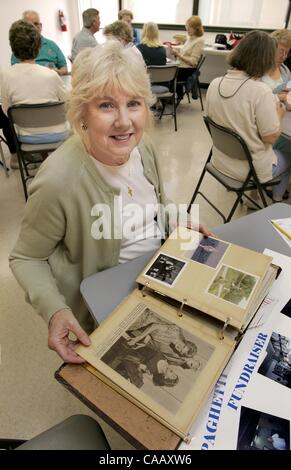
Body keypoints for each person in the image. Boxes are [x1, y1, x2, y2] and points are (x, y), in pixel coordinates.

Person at [8, 39, 211, 363]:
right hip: (111, 295)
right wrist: (55, 310)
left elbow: (156, 202)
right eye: (106, 105)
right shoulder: (59, 181)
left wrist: (175, 217)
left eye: (133, 103)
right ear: (81, 113)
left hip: (162, 271)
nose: (124, 121)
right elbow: (25, 258)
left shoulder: (143, 150)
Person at [206, 30, 291, 203]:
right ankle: (275, 200)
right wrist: (279, 113)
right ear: (266, 58)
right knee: (288, 154)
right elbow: (271, 137)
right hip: (248, 170)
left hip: (219, 161)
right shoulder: (261, 91)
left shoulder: (215, 83)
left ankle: (256, 198)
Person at [1, 20, 68, 144]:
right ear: (38, 46)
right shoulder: (51, 75)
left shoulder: (4, 76)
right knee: (83, 123)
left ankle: (17, 158)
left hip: (25, 137)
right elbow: (67, 105)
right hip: (58, 134)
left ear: (12, 47)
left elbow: (6, 111)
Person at [11, 10, 67, 76]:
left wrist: (58, 72)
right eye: (29, 25)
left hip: (53, 80)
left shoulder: (52, 45)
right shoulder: (19, 48)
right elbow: (15, 71)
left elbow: (64, 67)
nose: (33, 27)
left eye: (36, 24)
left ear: (40, 26)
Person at [127, 321, 198, 369]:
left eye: (190, 365)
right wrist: (139, 339)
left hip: (142, 334)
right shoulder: (176, 333)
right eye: (191, 363)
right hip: (142, 323)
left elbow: (158, 346)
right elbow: (155, 326)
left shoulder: (175, 356)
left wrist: (144, 343)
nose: (179, 347)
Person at [170, 15, 204, 101]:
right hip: (181, 67)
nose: (187, 29)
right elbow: (183, 55)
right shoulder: (190, 38)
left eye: (190, 27)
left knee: (167, 75)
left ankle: (172, 97)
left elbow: (193, 62)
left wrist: (178, 55)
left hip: (188, 70)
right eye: (187, 27)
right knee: (166, 71)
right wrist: (175, 54)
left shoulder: (199, 41)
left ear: (197, 28)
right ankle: (174, 95)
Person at [261, 29, 291, 102]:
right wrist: (278, 97)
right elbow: (251, 98)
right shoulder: (256, 69)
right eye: (281, 52)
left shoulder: (285, 70)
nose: (284, 57)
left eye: (286, 53)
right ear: (270, 48)